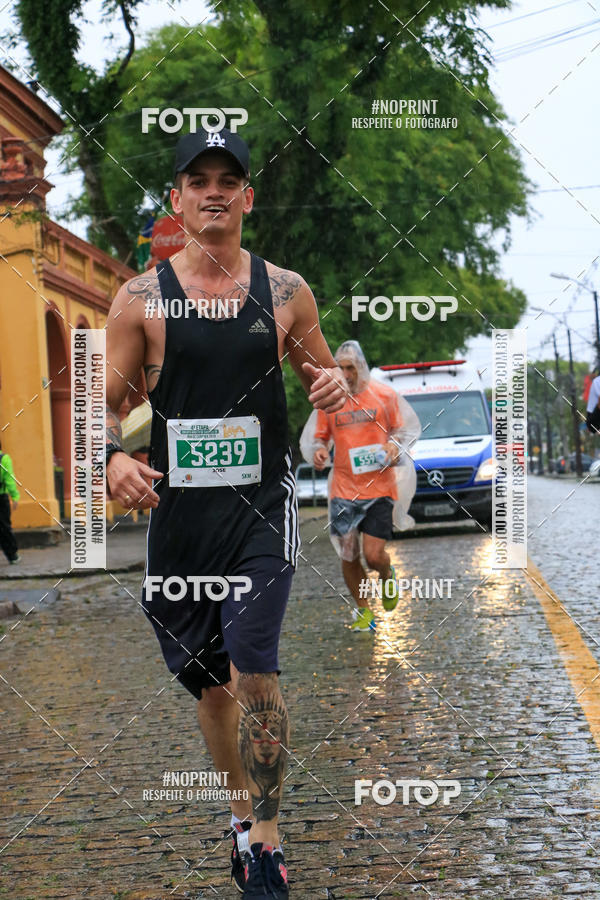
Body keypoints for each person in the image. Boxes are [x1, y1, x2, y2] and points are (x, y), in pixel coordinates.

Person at [105, 127, 346, 898]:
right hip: (181, 524)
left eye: (228, 180)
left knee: (254, 664)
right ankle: (242, 820)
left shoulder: (284, 291)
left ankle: (269, 846)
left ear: (248, 196)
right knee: (211, 686)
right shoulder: (141, 298)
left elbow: (323, 376)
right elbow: (97, 409)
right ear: (177, 199)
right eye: (197, 179)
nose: (214, 191)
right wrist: (112, 458)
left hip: (260, 509)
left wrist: (331, 391)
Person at [311, 341, 412, 632]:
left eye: (350, 368)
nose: (344, 373)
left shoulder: (384, 395)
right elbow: (320, 438)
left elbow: (400, 431)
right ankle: (364, 610)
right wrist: (319, 450)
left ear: (361, 367)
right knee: (348, 553)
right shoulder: (330, 397)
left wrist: (393, 449)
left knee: (373, 555)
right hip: (343, 489)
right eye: (339, 367)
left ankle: (386, 572)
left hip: (379, 487)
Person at [0, 440, 20, 565]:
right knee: (4, 527)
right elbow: (9, 480)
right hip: (1, 498)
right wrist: (15, 496)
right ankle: (12, 555)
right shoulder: (4, 459)